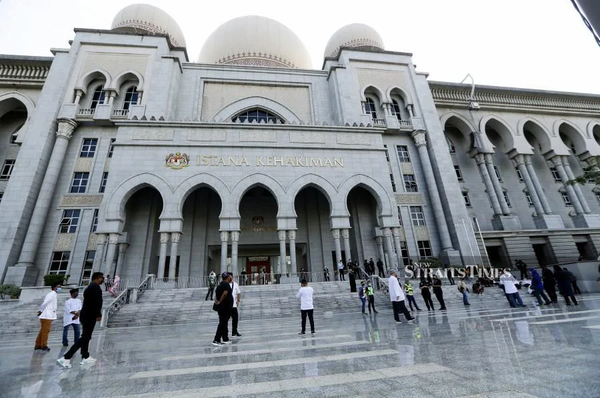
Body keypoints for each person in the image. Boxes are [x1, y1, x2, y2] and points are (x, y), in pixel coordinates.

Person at [57, 272, 104, 368]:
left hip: (86, 315)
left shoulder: (89, 288)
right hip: (90, 315)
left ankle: (85, 356)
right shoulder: (95, 288)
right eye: (101, 278)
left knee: (86, 336)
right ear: (97, 278)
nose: (103, 280)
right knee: (85, 337)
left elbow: (88, 303)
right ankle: (66, 357)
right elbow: (96, 302)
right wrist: (98, 314)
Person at [35, 282, 61, 351]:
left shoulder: (54, 294)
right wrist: (40, 310)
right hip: (47, 315)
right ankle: (43, 345)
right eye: (59, 287)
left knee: (43, 330)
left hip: (49, 315)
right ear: (55, 287)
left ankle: (38, 345)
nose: (60, 288)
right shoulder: (52, 294)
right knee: (46, 330)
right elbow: (45, 303)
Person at [212, 272, 233, 346]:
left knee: (224, 323)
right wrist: (220, 301)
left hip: (222, 307)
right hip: (224, 307)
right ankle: (216, 339)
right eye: (230, 276)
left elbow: (216, 293)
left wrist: (216, 301)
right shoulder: (226, 284)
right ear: (227, 277)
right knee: (222, 323)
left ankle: (225, 338)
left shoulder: (220, 284)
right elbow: (225, 293)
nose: (231, 277)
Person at [228, 272, 242, 337]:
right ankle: (224, 333)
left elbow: (239, 293)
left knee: (235, 319)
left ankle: (234, 332)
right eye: (229, 277)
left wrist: (238, 301)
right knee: (225, 320)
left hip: (233, 305)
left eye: (231, 277)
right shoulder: (225, 284)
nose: (230, 278)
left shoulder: (235, 284)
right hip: (226, 306)